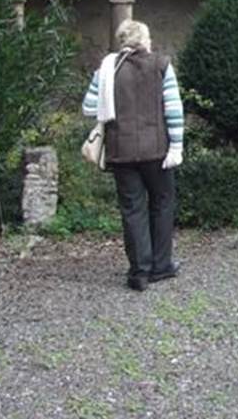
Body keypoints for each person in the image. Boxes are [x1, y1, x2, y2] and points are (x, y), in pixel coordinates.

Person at [82, 20, 184, 291]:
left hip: (120, 151)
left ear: (123, 41)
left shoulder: (107, 69)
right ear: (145, 40)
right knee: (162, 203)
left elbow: (89, 107)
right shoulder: (161, 64)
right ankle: (161, 267)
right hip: (158, 151)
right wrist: (177, 147)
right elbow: (174, 109)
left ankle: (139, 272)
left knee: (132, 209)